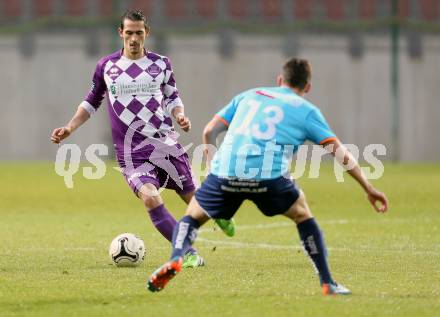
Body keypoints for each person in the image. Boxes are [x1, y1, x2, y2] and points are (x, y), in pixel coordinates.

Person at [147, 58, 389, 294]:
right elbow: (341, 153)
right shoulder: (307, 110)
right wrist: (368, 187)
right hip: (269, 177)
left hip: (225, 173)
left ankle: (177, 258)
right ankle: (327, 282)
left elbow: (210, 130)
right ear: (307, 87)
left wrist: (213, 170)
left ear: (279, 79)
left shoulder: (249, 95)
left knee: (193, 216)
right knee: (302, 214)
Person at [50, 10, 234, 268]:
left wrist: (180, 115)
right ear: (121, 33)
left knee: (195, 201)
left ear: (146, 33)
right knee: (150, 197)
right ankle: (186, 252)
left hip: (165, 145)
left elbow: (172, 97)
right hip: (132, 153)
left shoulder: (161, 64)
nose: (134, 38)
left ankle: (219, 212)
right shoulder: (107, 66)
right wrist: (70, 127)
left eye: (139, 32)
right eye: (129, 33)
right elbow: (92, 101)